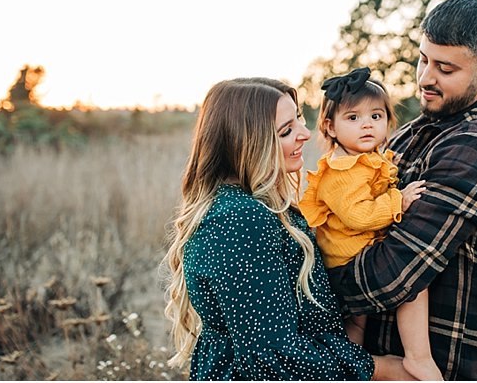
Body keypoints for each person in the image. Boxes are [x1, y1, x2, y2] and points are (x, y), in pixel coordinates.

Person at [327, 0, 477, 381]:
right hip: (388, 364)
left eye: (445, 68)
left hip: (447, 369)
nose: (425, 77)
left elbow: (396, 270)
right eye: (423, 59)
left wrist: (306, 289)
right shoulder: (412, 133)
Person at [162, 77, 413, 381]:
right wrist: (381, 369)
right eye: (286, 131)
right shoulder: (240, 220)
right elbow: (273, 354)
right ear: (247, 143)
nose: (305, 134)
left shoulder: (262, 207)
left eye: (299, 120)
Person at [298, 67, 442, 381]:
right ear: (330, 127)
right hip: (347, 260)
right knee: (412, 279)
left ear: (388, 122)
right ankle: (419, 358)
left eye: (376, 116)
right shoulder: (340, 171)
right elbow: (358, 216)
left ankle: (351, 370)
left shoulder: (367, 159)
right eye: (353, 118)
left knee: (357, 323)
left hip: (354, 254)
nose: (366, 124)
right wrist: (398, 201)